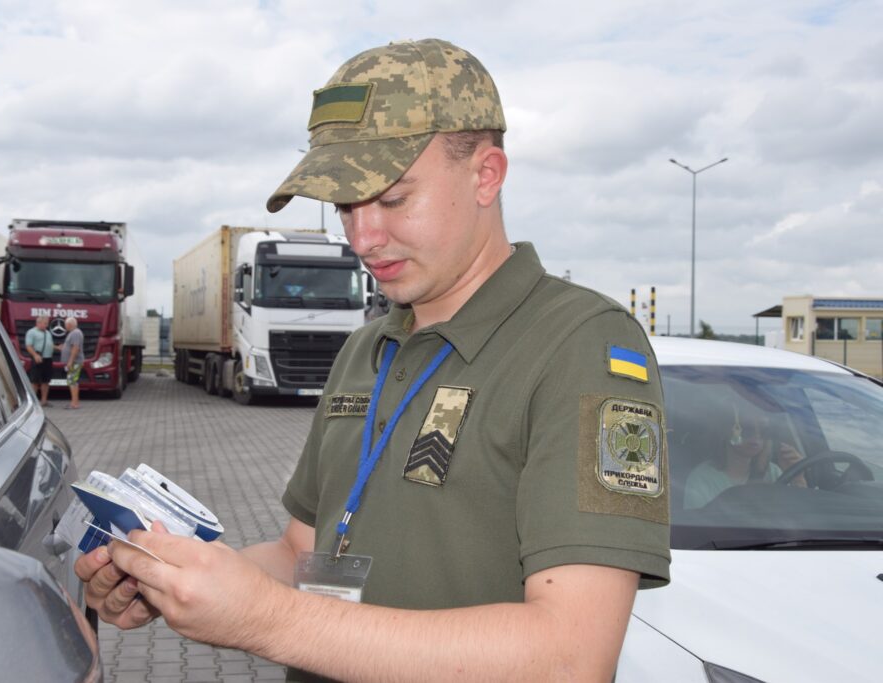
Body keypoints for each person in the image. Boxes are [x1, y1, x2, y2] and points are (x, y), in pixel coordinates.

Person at [76, 38, 671, 681]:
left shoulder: (580, 347)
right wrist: (175, 580)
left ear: (486, 175)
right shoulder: (368, 348)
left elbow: (571, 657)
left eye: (391, 199)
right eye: (344, 208)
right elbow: (300, 553)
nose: (363, 238)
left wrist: (265, 619)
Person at [683, 405, 805, 509]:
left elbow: (798, 516)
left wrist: (798, 478)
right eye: (747, 429)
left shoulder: (774, 472)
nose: (757, 436)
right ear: (727, 430)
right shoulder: (702, 479)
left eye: (764, 430)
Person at [24, 315, 54, 406]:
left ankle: (44, 401)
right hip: (38, 358)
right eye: (45, 323)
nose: (46, 325)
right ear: (38, 323)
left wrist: (57, 347)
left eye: (47, 324)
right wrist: (35, 355)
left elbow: (49, 344)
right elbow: (28, 346)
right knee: (35, 380)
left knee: (46, 380)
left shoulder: (47, 333)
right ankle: (33, 402)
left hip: (48, 359)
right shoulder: (31, 332)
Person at [59, 317, 84, 409]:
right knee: (72, 381)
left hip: (75, 362)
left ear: (69, 325)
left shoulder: (75, 333)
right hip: (74, 362)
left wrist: (70, 361)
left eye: (65, 325)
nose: (65, 326)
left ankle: (74, 403)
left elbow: (75, 348)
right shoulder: (74, 333)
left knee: (72, 381)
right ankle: (74, 402)